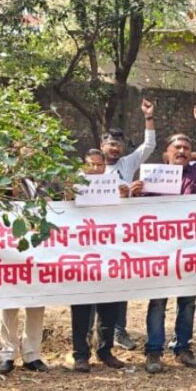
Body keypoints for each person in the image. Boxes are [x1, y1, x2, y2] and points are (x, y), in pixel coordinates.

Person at [142, 104, 196, 373]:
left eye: (185, 148)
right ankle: (154, 351)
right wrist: (133, 193)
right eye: (176, 148)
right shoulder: (153, 176)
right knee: (158, 302)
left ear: (190, 153)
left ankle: (183, 348)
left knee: (188, 302)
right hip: (161, 251)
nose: (181, 151)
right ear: (166, 153)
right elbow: (141, 214)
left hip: (190, 252)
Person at [102, 98, 157, 351]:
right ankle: (98, 333)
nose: (115, 148)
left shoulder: (128, 164)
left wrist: (148, 117)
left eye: (119, 144)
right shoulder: (91, 168)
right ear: (102, 145)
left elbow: (149, 145)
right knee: (97, 285)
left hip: (123, 235)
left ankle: (119, 331)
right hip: (96, 235)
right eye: (111, 144)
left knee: (121, 283)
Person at [70, 151, 128, 373]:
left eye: (99, 165)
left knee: (110, 306)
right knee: (82, 307)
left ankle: (105, 351)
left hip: (110, 254)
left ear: (105, 165)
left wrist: (126, 195)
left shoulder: (115, 183)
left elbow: (129, 207)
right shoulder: (74, 185)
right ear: (83, 166)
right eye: (90, 165)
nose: (95, 169)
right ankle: (80, 354)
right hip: (82, 254)